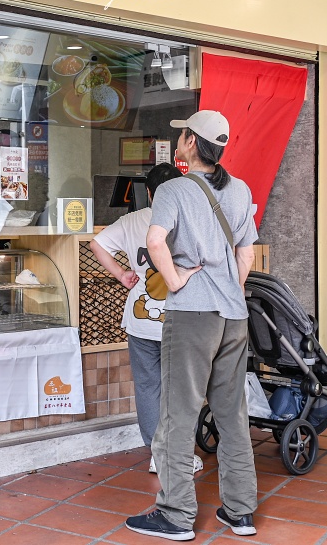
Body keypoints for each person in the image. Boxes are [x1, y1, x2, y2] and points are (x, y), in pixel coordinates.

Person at [125, 110, 258, 541]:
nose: (178, 139)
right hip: (233, 317)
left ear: (190, 142)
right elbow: (247, 255)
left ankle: (177, 514)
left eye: (182, 134)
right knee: (232, 414)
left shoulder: (174, 189)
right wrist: (230, 293)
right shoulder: (239, 190)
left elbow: (155, 240)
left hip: (192, 316)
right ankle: (240, 512)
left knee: (177, 415)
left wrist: (179, 279)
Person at [88, 163, 203, 475]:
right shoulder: (190, 220)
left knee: (149, 387)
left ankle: (158, 455)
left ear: (149, 193)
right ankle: (178, 455)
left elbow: (95, 244)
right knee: (181, 389)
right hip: (182, 320)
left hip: (141, 322)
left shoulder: (133, 220)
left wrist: (121, 273)